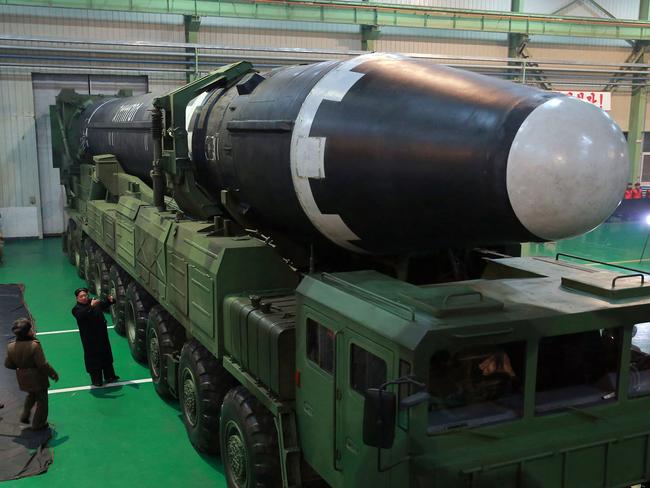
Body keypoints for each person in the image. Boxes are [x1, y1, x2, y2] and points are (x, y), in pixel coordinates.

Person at [4, 317, 59, 431]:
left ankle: (25, 414)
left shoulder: (10, 346)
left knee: (31, 395)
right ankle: (38, 424)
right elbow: (42, 364)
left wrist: (21, 367)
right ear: (28, 332)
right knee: (42, 401)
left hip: (22, 377)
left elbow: (8, 364)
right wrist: (53, 374)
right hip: (37, 378)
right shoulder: (34, 345)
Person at [71, 288, 119, 387]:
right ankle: (97, 380)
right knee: (94, 359)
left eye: (85, 295)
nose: (84, 298)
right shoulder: (76, 309)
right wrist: (91, 306)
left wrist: (110, 300)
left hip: (101, 336)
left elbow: (103, 305)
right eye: (81, 296)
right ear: (77, 298)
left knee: (106, 355)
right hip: (90, 339)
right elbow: (81, 316)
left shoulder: (92, 302)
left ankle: (110, 376)